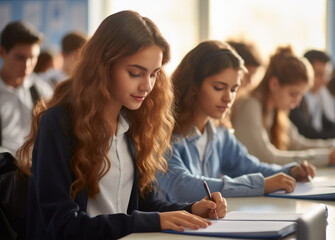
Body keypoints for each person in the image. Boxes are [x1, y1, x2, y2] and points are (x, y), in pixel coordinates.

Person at [16, 11, 226, 239]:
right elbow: (63, 225)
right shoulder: (58, 124)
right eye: (135, 73)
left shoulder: (134, 124)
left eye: (154, 74)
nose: (147, 86)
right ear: (103, 67)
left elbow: (143, 203)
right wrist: (150, 221)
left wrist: (190, 209)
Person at [156, 40, 315, 203]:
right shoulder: (165, 130)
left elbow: (248, 166)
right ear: (193, 85)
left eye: (233, 89)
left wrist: (289, 171)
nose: (228, 98)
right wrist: (260, 185)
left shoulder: (218, 131)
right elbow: (182, 187)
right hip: (165, 227)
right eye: (218, 87)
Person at [231, 46, 335, 167]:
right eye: (293, 94)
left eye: (300, 96)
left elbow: (299, 144)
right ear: (274, 84)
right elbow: (267, 157)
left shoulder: (277, 111)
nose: (296, 103)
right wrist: (327, 157)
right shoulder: (250, 105)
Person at [0, 21, 53, 156]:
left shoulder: (42, 90)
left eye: (33, 57)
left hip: (33, 170)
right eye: (20, 57)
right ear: (2, 52)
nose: (27, 65)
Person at [289, 50, 335, 141]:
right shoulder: (296, 100)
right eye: (319, 74)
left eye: (326, 75)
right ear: (306, 73)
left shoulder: (319, 97)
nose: (325, 81)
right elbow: (309, 134)